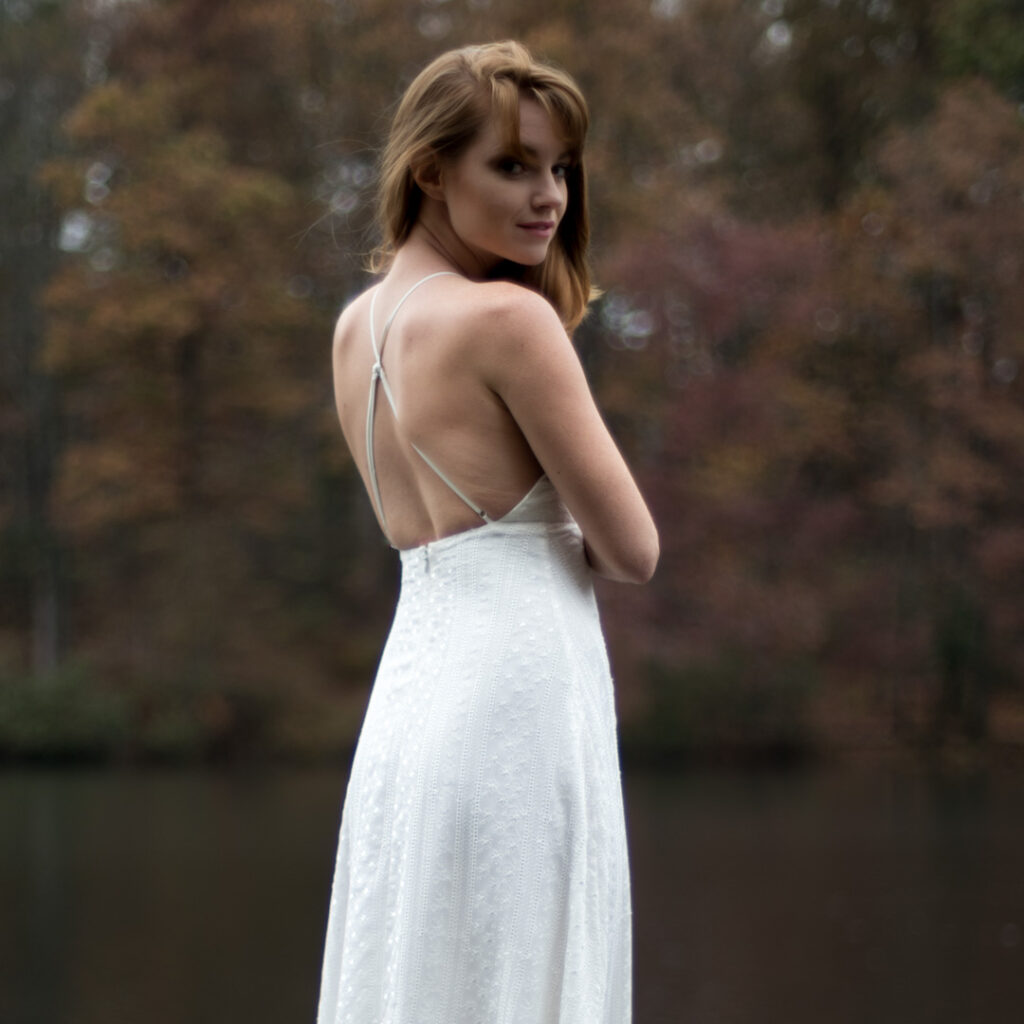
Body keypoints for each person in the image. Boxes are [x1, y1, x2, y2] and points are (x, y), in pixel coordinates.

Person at [317, 40, 659, 1024]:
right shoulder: (508, 321)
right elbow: (632, 550)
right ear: (430, 168)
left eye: (558, 168)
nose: (547, 194)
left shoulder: (355, 329)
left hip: (411, 715)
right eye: (511, 166)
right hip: (517, 705)